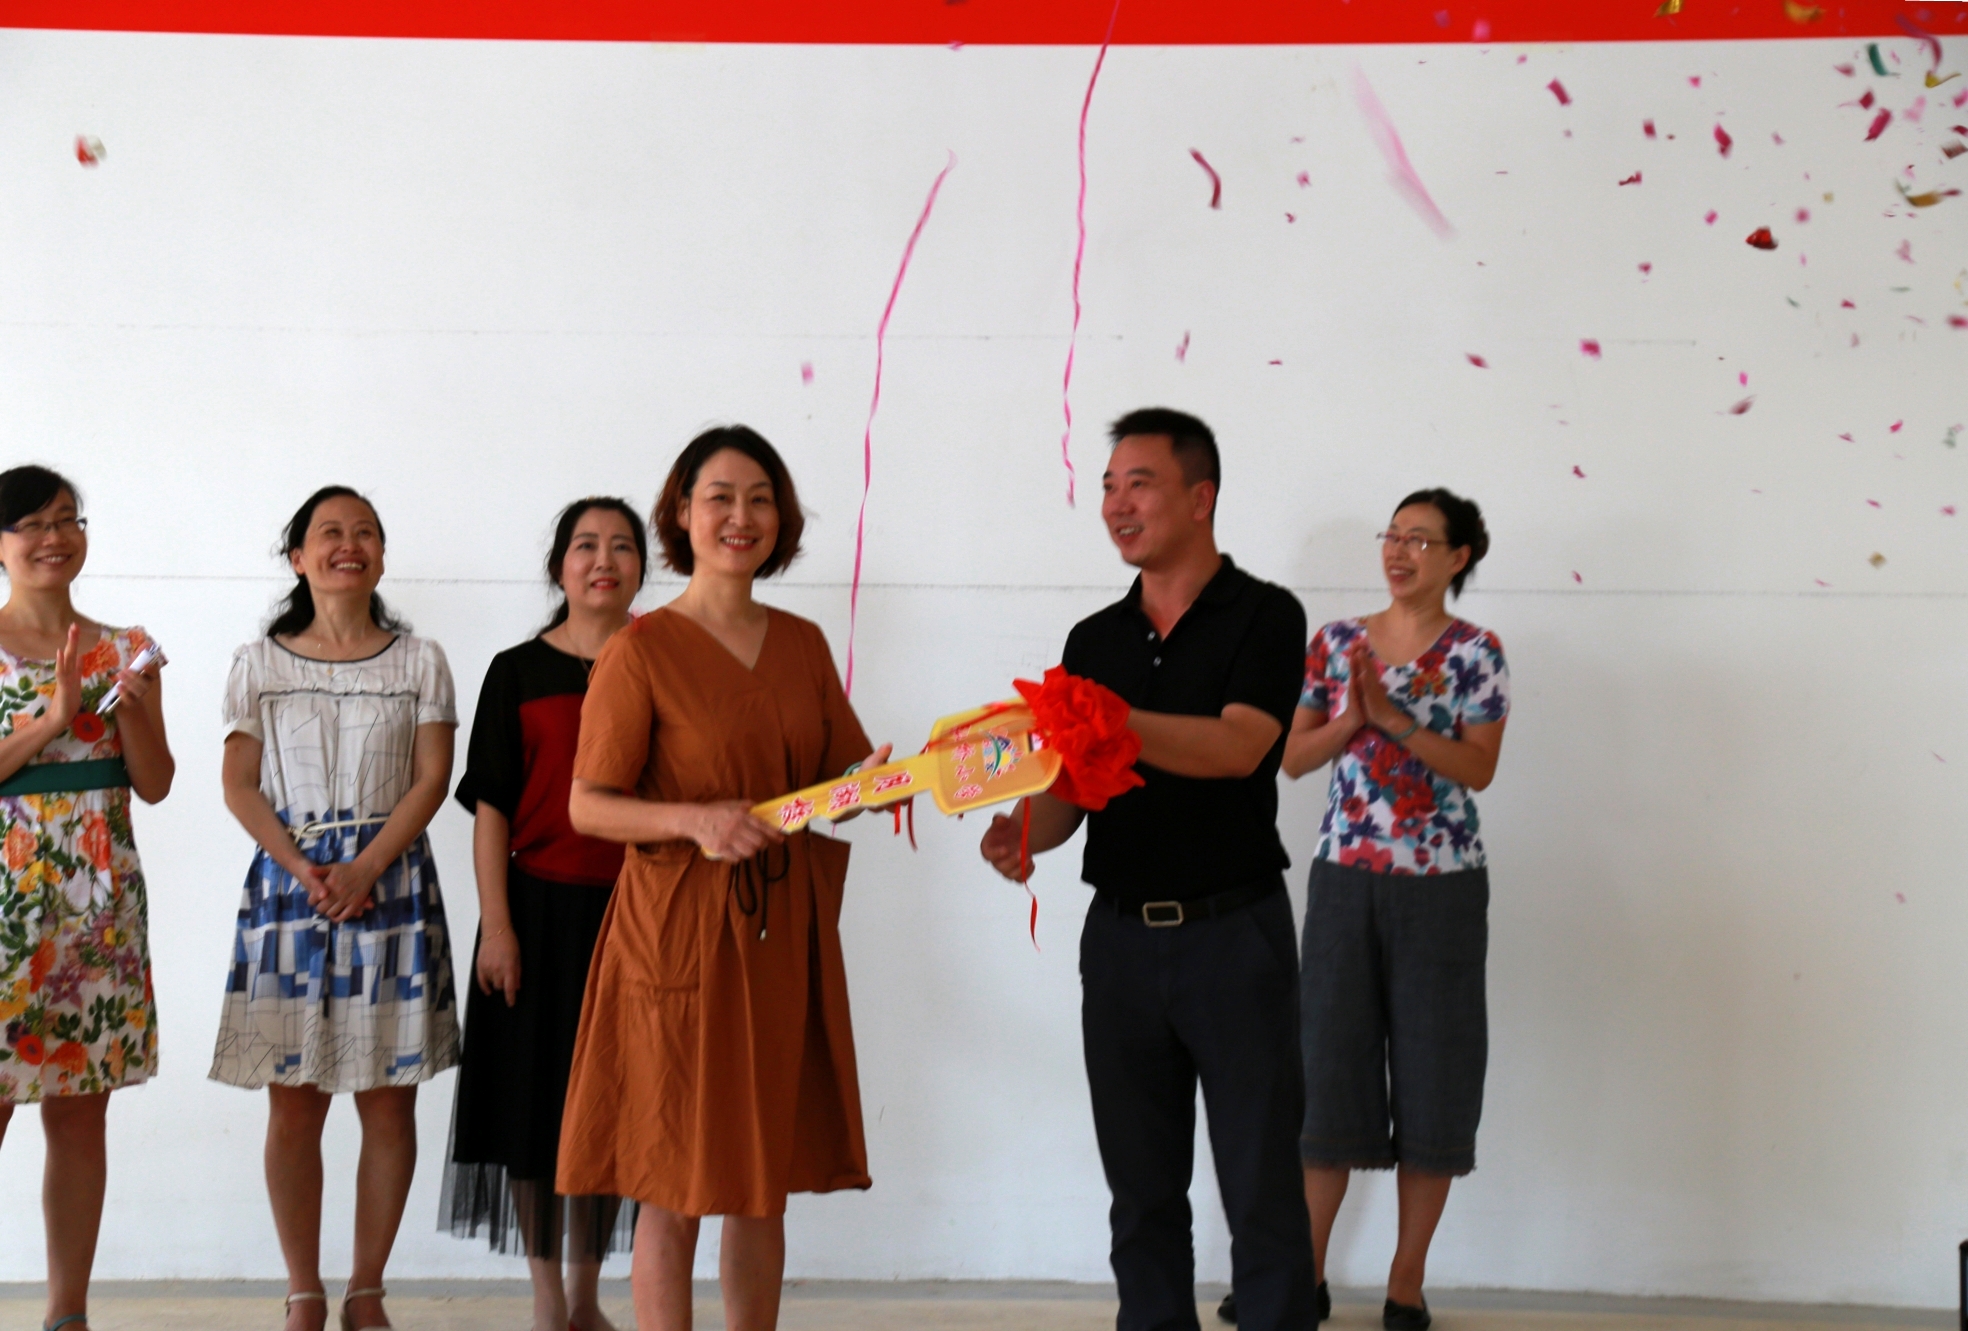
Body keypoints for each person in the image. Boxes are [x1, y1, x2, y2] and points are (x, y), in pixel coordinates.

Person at [979, 409, 1316, 1331]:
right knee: (1140, 1189)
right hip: (1121, 941)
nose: (1117, 504)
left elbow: (1239, 747)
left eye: (1140, 483)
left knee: (1260, 1183)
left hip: (1234, 934)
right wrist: (1024, 833)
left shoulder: (1266, 614)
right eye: (1107, 486)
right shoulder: (1094, 639)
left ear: (1201, 497)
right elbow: (1072, 788)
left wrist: (1112, 718)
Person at [559, 425, 889, 1331]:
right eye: (721, 498)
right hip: (676, 941)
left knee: (758, 1182)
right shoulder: (642, 650)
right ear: (682, 512)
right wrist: (694, 819)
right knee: (672, 1178)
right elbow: (589, 804)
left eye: (760, 499)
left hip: (778, 938)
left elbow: (840, 782)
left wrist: (875, 785)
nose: (741, 517)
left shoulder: (803, 644)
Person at [212, 485, 460, 1331]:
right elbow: (239, 784)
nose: (347, 545)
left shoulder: (420, 660)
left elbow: (432, 777)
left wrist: (366, 867)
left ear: (381, 556)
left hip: (390, 886)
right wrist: (305, 867)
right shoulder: (259, 662)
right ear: (299, 557)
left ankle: (366, 1289)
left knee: (388, 1099)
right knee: (294, 1099)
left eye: (364, 533)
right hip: (290, 893)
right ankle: (303, 1290)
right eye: (329, 532)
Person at [1281, 489, 1508, 1331]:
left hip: (1443, 886)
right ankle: (1302, 1275)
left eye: (1420, 539)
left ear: (1459, 557)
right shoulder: (1337, 642)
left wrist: (1395, 720)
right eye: (1393, 535)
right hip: (1344, 878)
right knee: (1326, 1074)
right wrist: (1354, 718)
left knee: (1435, 1076)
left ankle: (1405, 1282)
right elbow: (1293, 758)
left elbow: (1477, 768)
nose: (1399, 550)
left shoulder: (1477, 651)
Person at [440, 497, 648, 1331]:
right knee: (533, 1111)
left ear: (641, 566)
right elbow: (491, 807)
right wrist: (497, 926)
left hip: (637, 916)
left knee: (614, 1109)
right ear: (560, 565)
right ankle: (547, 1299)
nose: (604, 560)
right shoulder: (516, 671)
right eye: (586, 545)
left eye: (622, 546)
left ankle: (589, 1299)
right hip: (532, 914)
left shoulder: (663, 663)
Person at [0, 466, 173, 1331]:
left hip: (98, 901)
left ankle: (66, 1312)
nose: (53, 537)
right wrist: (53, 715)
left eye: (67, 519)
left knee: (79, 1114)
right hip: (5, 902)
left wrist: (129, 709)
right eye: (32, 523)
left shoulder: (127, 645)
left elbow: (157, 781)